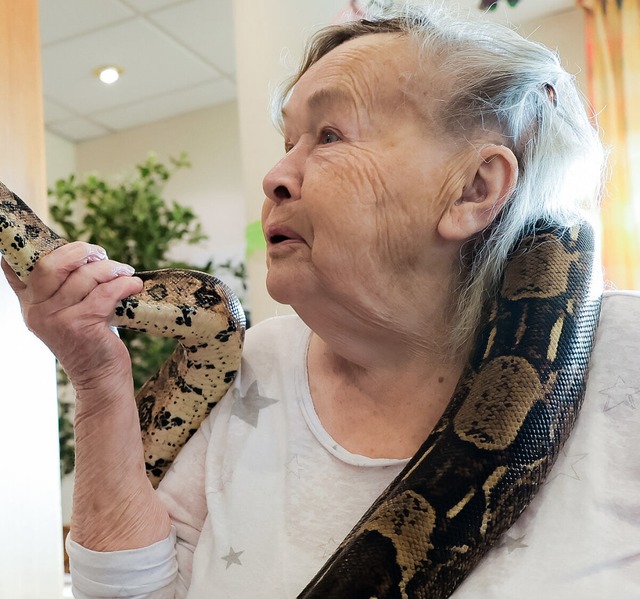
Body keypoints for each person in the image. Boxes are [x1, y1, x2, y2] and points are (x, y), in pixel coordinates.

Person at [3, 4, 638, 598]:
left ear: (474, 187)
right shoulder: (246, 365)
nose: (275, 177)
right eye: (287, 143)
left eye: (330, 135)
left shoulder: (624, 359)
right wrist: (98, 382)